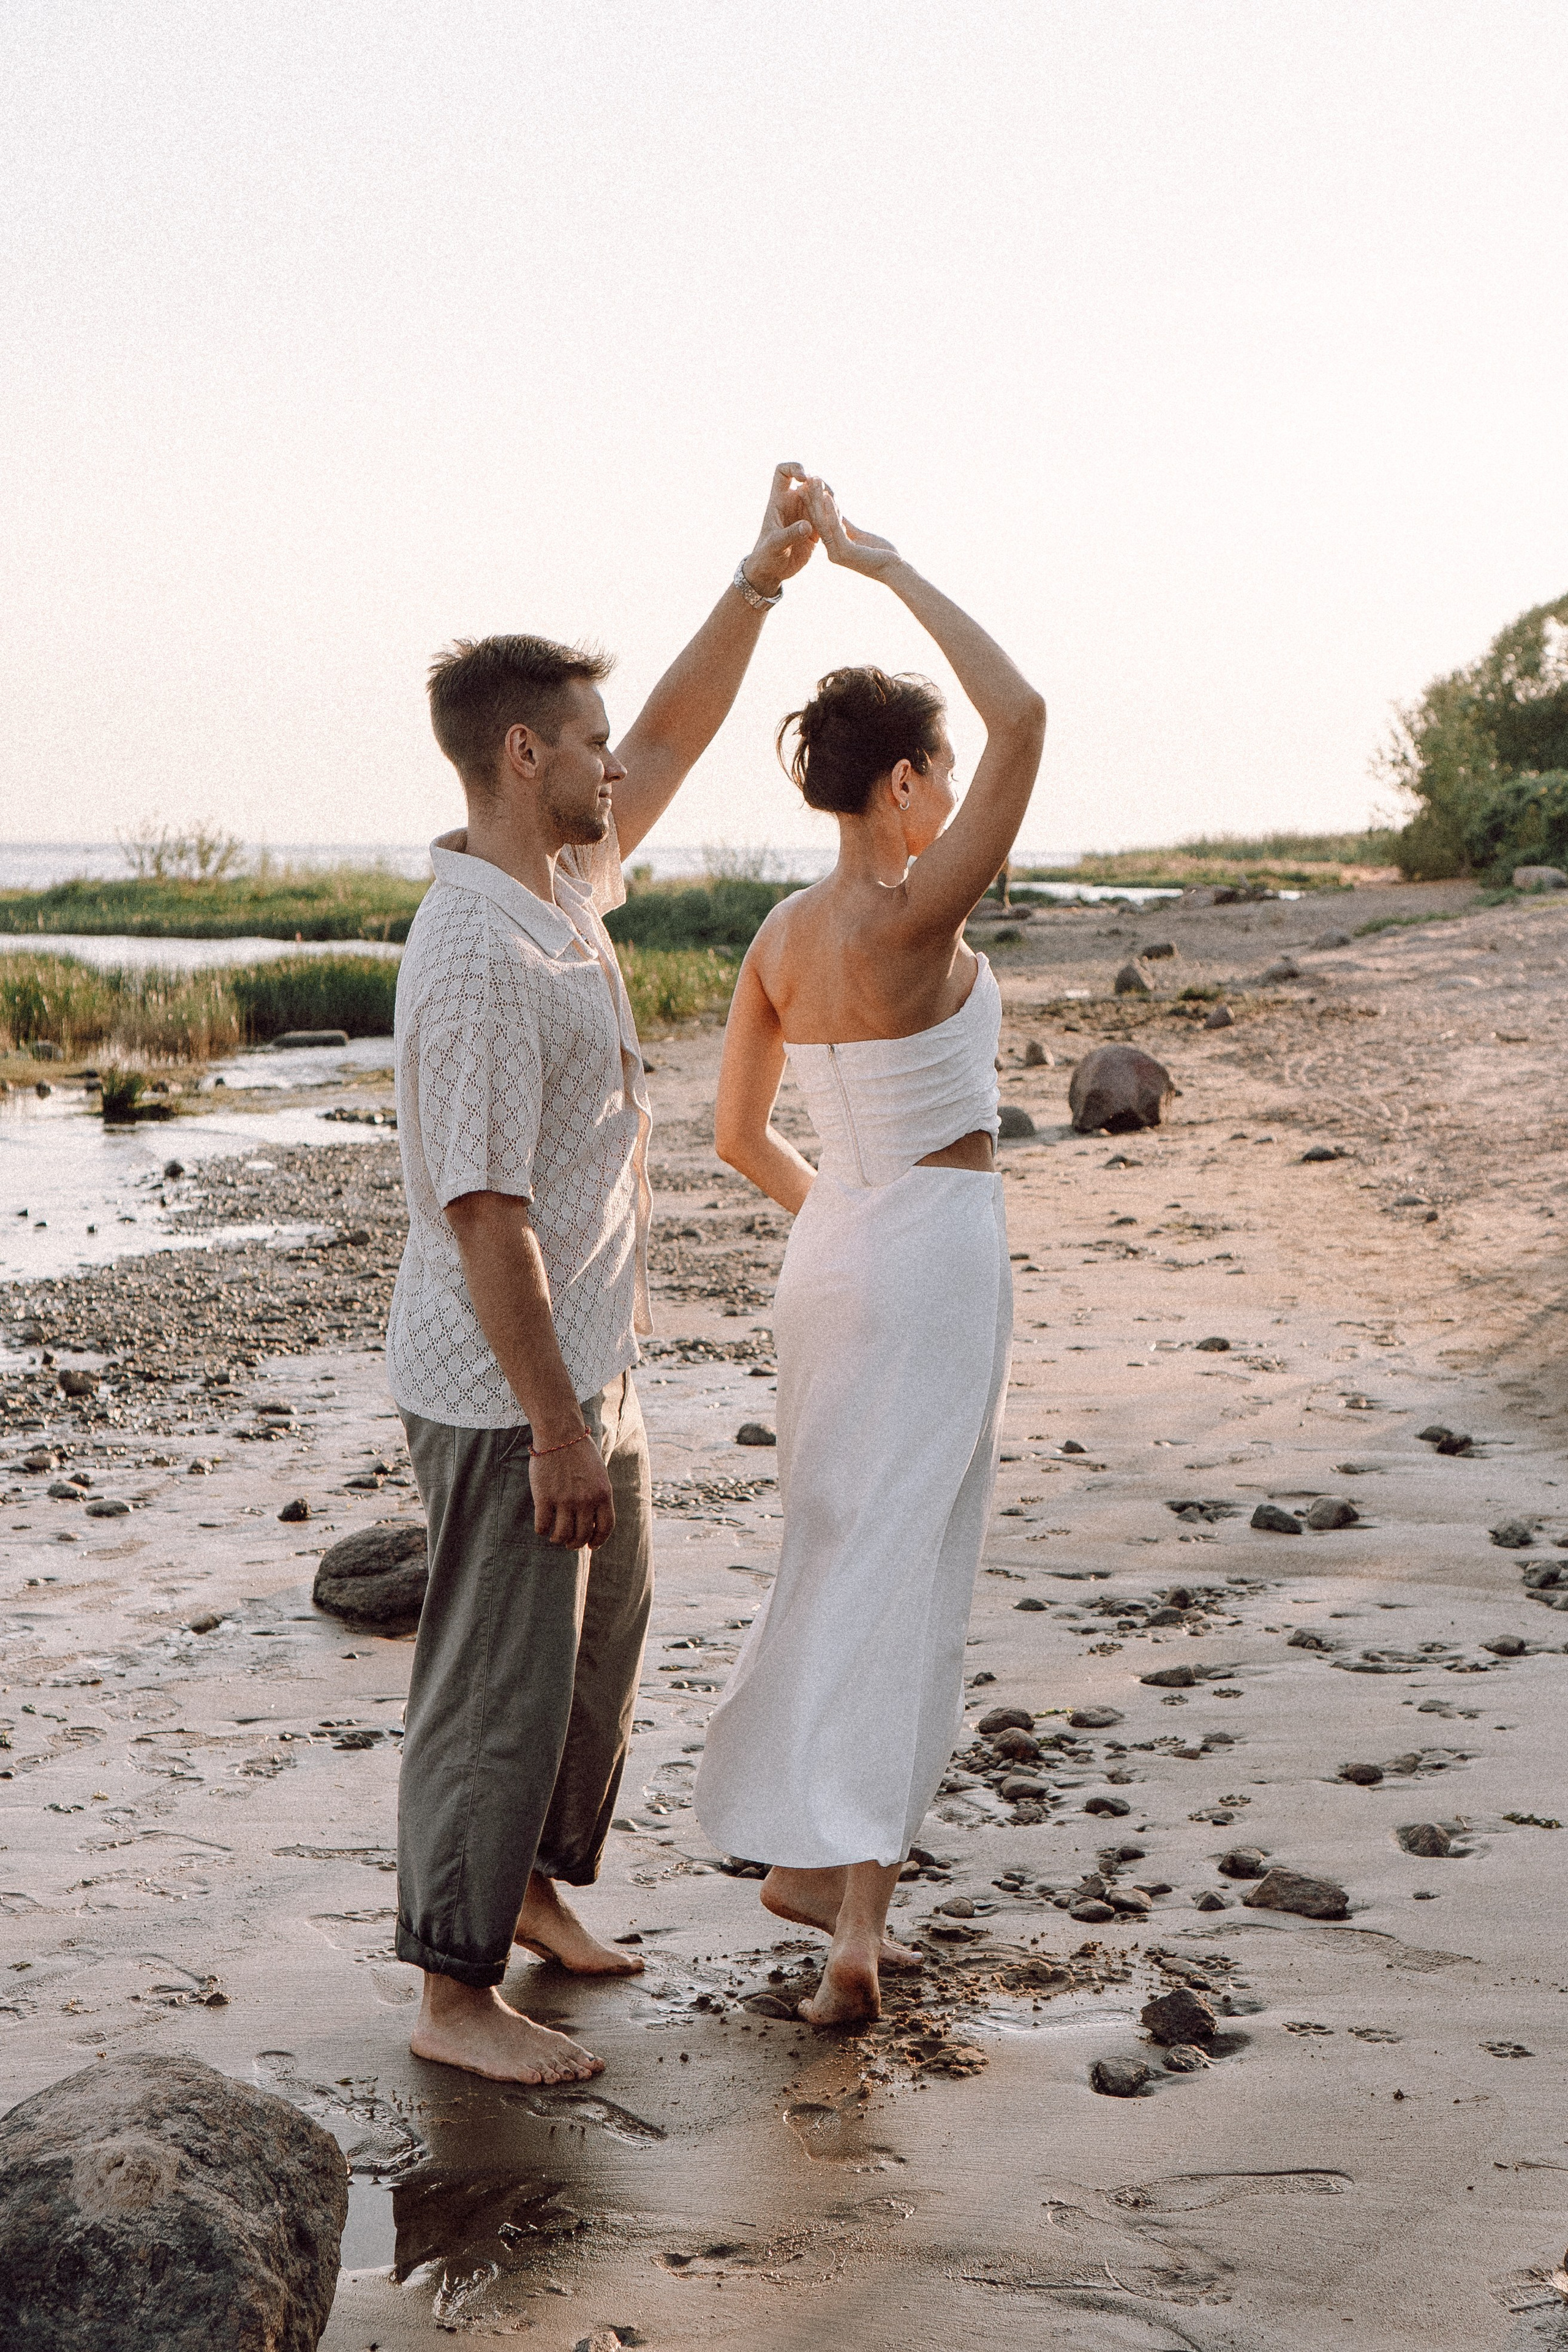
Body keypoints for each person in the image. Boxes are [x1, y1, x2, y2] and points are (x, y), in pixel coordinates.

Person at [386, 466, 817, 2084]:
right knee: (499, 1675)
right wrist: (558, 1426)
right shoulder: (483, 957)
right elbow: (481, 1219)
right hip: (514, 1388)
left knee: (600, 1638)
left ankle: (543, 1891)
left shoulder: (555, 885)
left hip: (588, 1361)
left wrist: (758, 584)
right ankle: (451, 1990)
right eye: (584, 745)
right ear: (522, 756)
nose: (611, 768)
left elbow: (681, 740)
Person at [694, 480, 1046, 2025]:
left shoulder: (776, 935)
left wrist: (840, 1214)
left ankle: (800, 1856)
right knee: (910, 1563)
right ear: (903, 784)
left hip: (830, 1255)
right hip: (930, 1257)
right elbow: (1025, 710)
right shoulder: (912, 918)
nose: (955, 791)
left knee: (833, 1546)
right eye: (942, 776)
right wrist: (888, 565)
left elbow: (732, 1139)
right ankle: (850, 1929)